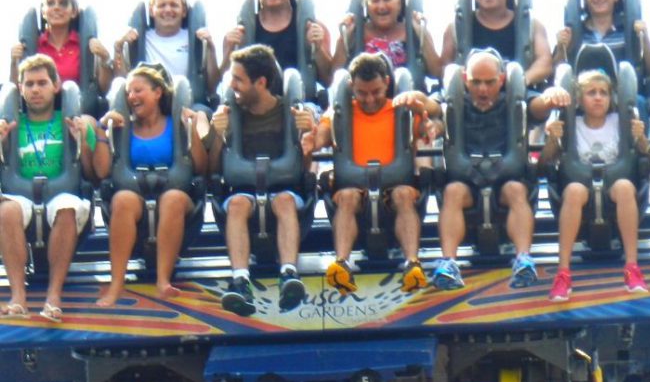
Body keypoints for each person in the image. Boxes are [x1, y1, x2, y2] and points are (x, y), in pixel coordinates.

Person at [434, 48, 570, 290]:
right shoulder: (455, 100)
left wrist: (551, 95)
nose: (483, 90)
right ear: (465, 79)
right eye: (476, 82)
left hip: (506, 178)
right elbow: (432, 107)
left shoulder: (514, 98)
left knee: (516, 190)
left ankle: (523, 259)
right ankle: (449, 263)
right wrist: (414, 99)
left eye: (489, 82)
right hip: (467, 180)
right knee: (452, 191)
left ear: (502, 79)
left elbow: (537, 106)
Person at [314, 52, 442, 295]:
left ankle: (413, 264)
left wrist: (428, 122)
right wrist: (312, 139)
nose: (370, 99)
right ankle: (341, 263)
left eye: (376, 92)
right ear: (352, 86)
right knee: (347, 196)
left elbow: (432, 120)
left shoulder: (400, 110)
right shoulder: (339, 112)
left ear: (386, 82)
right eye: (362, 93)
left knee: (404, 194)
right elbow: (321, 136)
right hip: (354, 190)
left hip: (395, 188)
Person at [207, 44, 317, 317]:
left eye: (238, 79)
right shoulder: (232, 115)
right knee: (237, 206)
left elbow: (304, 167)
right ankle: (240, 281)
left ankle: (289, 274)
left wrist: (308, 137)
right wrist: (216, 136)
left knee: (284, 201)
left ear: (261, 82)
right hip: (242, 190)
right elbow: (211, 168)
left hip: (285, 188)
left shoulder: (288, 113)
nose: (232, 85)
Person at [0, 54, 109, 320]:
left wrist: (84, 140)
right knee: (6, 212)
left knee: (68, 208)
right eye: (29, 84)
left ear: (55, 86)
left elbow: (93, 174)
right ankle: (18, 297)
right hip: (19, 195)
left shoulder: (73, 121)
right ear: (21, 88)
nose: (35, 90)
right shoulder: (12, 125)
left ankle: (53, 296)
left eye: (42, 83)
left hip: (61, 195)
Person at [95, 63, 208, 307]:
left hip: (175, 195)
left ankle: (163, 280)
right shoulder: (123, 128)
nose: (132, 97)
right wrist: (104, 131)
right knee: (122, 200)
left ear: (158, 93)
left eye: (138, 90)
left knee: (173, 199)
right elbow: (102, 171)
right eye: (128, 92)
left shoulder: (176, 123)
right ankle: (116, 284)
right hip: (135, 194)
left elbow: (201, 167)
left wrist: (191, 130)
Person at [541, 68, 650, 301]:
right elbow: (545, 161)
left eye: (603, 92)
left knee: (624, 187)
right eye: (592, 93)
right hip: (580, 185)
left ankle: (632, 266)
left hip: (615, 185)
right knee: (572, 190)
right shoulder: (572, 123)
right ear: (580, 99)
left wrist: (640, 137)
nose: (599, 97)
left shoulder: (620, 121)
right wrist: (552, 138)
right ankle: (563, 272)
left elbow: (648, 156)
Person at [441, 0, 552, 87]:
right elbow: (443, 68)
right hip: (469, 97)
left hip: (520, 96)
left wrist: (521, 81)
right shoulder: (455, 29)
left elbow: (545, 62)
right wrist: (422, 33)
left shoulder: (533, 27)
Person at [220, 0, 333, 87]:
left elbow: (328, 80)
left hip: (301, 101)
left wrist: (318, 48)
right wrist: (231, 50)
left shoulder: (314, 28)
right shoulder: (240, 33)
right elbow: (224, 80)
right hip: (255, 102)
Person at [554, 0, 650, 79]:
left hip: (625, 94)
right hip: (582, 93)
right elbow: (554, 75)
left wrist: (644, 38)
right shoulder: (575, 34)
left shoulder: (629, 31)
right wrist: (561, 49)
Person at [113, 0, 219, 95]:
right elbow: (123, 82)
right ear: (151, 11)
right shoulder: (141, 39)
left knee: (182, 87)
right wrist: (118, 49)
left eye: (174, 5)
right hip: (150, 104)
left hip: (186, 103)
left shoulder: (196, 39)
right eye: (161, 5)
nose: (168, 10)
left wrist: (211, 49)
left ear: (183, 11)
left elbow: (212, 87)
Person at [331, 0, 442, 80]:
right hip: (366, 97)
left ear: (399, 4)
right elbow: (333, 75)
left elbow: (436, 72)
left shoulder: (414, 31)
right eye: (375, 1)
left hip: (406, 95)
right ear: (367, 7)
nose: (381, 6)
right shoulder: (354, 33)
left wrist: (423, 34)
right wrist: (344, 38)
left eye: (387, 0)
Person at [9, 0, 114, 95]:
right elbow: (16, 89)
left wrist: (105, 59)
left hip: (76, 107)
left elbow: (104, 88)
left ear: (73, 12)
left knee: (69, 89)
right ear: (43, 12)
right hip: (39, 107)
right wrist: (14, 62)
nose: (56, 8)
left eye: (63, 3)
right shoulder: (33, 46)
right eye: (50, 3)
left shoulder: (85, 46)